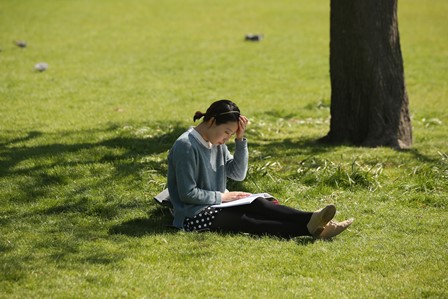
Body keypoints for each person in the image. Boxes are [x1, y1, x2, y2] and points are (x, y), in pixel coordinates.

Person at [167, 99, 353, 239]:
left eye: (231, 135)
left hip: (218, 202)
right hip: (192, 215)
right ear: (211, 121)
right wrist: (223, 196)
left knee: (258, 203)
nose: (226, 139)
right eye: (227, 133)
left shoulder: (216, 143)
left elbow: (238, 174)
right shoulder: (186, 146)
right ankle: (311, 228)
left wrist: (240, 141)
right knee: (247, 221)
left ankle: (312, 218)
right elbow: (187, 194)